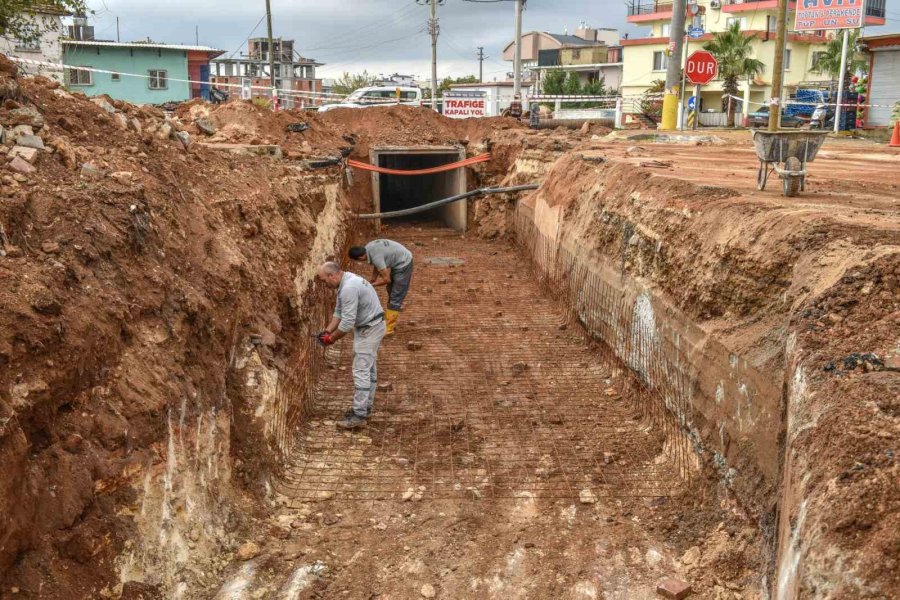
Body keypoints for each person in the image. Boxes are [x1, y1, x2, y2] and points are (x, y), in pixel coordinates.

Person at [317, 261, 386, 430]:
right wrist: (327, 330)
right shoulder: (347, 281)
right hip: (372, 325)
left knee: (361, 369)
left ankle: (359, 416)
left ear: (332, 275)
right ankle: (364, 407)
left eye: (324, 280)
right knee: (368, 368)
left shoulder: (348, 288)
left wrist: (331, 340)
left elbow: (347, 324)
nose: (325, 285)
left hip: (369, 329)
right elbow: (339, 313)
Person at [348, 239, 413, 336]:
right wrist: (373, 279)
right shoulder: (368, 247)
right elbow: (378, 265)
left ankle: (389, 328)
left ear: (361, 257)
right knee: (390, 290)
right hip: (398, 259)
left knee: (396, 295)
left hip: (404, 262)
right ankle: (391, 313)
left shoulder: (376, 257)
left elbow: (387, 280)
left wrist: (371, 285)